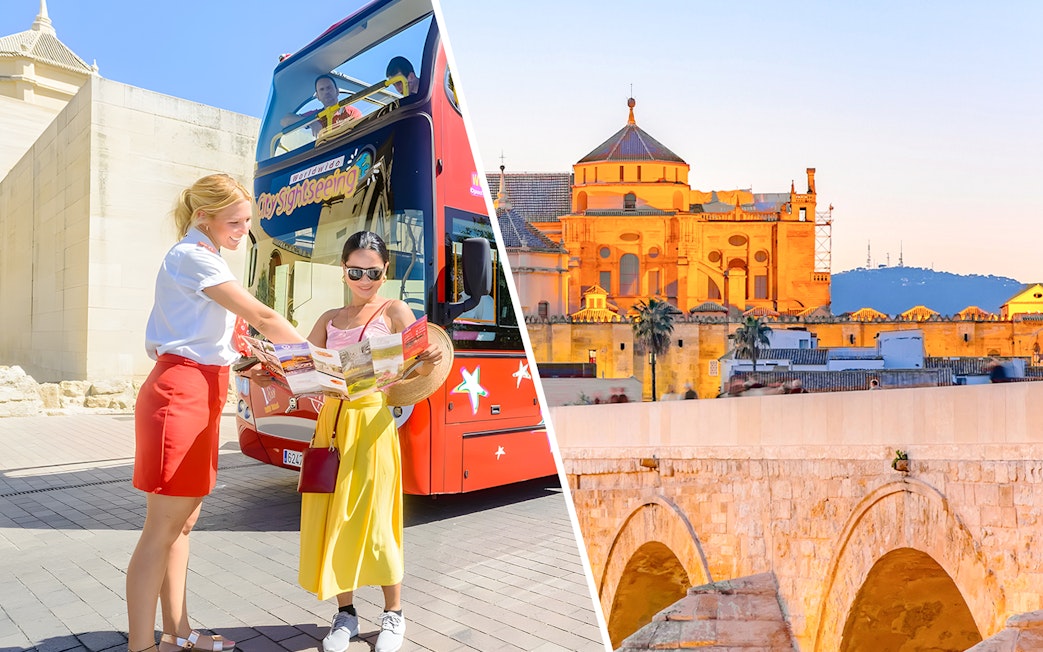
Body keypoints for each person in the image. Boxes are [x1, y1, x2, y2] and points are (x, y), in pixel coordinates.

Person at [126, 174, 305, 652]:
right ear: (201, 216)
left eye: (247, 222)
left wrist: (254, 367)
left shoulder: (208, 260)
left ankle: (177, 634)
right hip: (179, 392)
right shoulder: (191, 256)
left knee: (183, 523)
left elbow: (214, 342)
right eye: (234, 221)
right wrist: (315, 365)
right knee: (160, 529)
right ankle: (142, 646)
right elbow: (265, 318)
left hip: (203, 389)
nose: (242, 231)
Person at [299, 231, 442, 652]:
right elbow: (305, 368)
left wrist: (426, 361)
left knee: (378, 519)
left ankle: (393, 614)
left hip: (373, 423)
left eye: (373, 272)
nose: (364, 279)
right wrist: (269, 365)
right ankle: (345, 615)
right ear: (344, 272)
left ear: (385, 273)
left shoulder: (395, 310)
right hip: (332, 423)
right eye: (356, 271)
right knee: (334, 518)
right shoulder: (328, 318)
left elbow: (415, 373)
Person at [283, 74, 363, 136]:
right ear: (317, 96)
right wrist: (310, 123)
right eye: (322, 89)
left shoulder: (351, 112)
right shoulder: (315, 116)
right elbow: (285, 121)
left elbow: (360, 133)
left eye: (329, 88)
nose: (326, 92)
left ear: (337, 91)